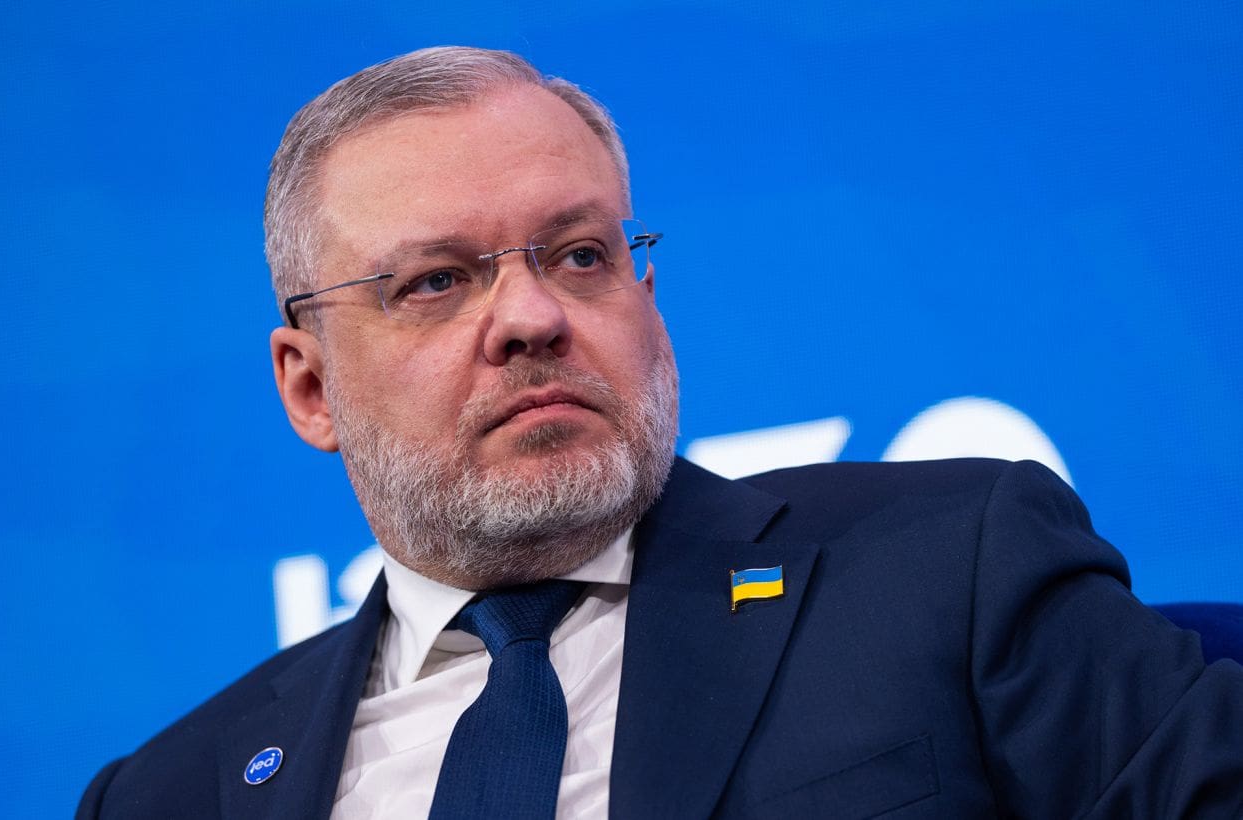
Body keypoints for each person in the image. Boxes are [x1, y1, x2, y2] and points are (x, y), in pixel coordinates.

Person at [77, 46, 1243, 819]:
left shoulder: (950, 563)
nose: (531, 317)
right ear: (310, 388)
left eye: (580, 254)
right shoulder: (165, 794)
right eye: (435, 281)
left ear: (646, 297)